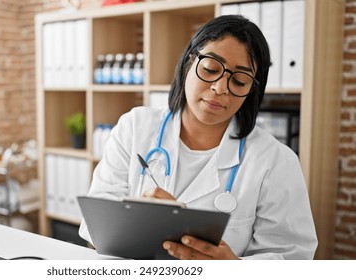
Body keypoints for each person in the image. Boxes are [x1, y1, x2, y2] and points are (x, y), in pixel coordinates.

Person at [79, 15, 317, 260]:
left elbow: (292, 256)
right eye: (211, 69)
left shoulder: (276, 161)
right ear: (188, 63)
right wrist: (140, 219)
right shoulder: (135, 127)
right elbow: (97, 219)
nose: (220, 87)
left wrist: (235, 269)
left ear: (251, 90)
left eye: (239, 80)